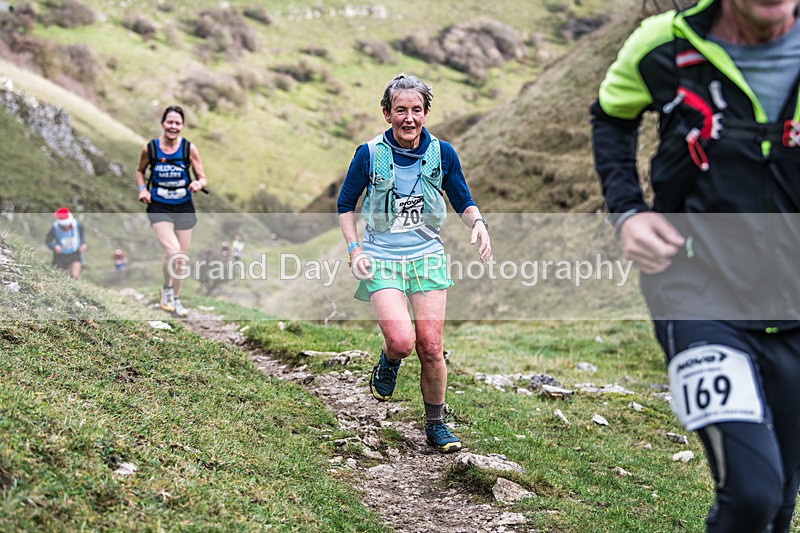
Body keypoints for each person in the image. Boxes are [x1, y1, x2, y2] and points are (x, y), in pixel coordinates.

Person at [591, 1, 800, 530]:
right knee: (751, 493)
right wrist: (627, 213)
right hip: (694, 293)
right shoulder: (663, 42)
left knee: (777, 504)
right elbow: (611, 115)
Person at [337, 73, 492, 453]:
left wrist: (479, 225)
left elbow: (462, 200)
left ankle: (436, 424)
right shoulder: (369, 154)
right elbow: (345, 206)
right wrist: (355, 250)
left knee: (430, 346)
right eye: (401, 110)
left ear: (426, 113)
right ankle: (389, 360)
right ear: (387, 112)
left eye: (417, 110)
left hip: (426, 257)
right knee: (403, 341)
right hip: (381, 258)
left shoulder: (443, 153)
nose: (409, 118)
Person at [135, 105, 208, 317]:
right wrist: (142, 190)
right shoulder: (151, 148)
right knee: (174, 251)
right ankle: (167, 291)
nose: (173, 126)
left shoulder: (189, 149)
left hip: (184, 206)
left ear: (182, 126)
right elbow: (140, 171)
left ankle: (175, 298)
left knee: (179, 258)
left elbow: (202, 177)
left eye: (177, 123)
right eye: (170, 122)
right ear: (163, 124)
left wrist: (198, 184)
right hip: (159, 205)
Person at [45, 207, 86, 280]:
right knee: (60, 278)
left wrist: (83, 243)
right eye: (63, 226)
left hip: (75, 253)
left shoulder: (76, 224)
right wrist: (54, 246)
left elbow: (82, 233)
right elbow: (48, 241)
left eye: (67, 225)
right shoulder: (55, 227)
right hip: (60, 256)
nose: (66, 227)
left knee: (75, 276)